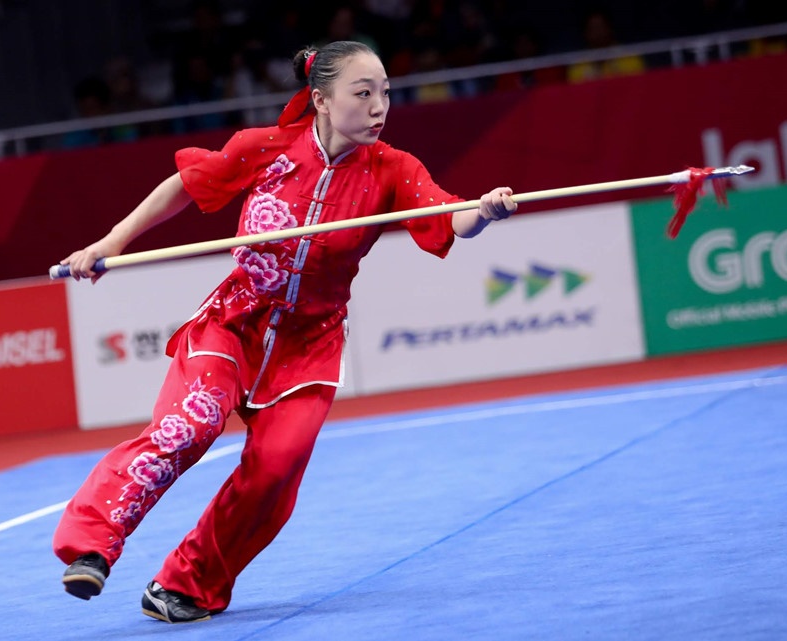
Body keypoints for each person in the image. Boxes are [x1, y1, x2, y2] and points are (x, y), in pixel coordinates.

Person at [53, 40, 517, 624]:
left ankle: (188, 584)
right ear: (321, 100)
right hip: (233, 324)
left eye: (386, 95)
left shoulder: (394, 170)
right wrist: (110, 243)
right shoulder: (265, 148)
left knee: (276, 471)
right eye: (363, 93)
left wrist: (487, 211)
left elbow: (450, 215)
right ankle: (93, 543)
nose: (380, 107)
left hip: (311, 346)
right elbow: (186, 183)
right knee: (190, 425)